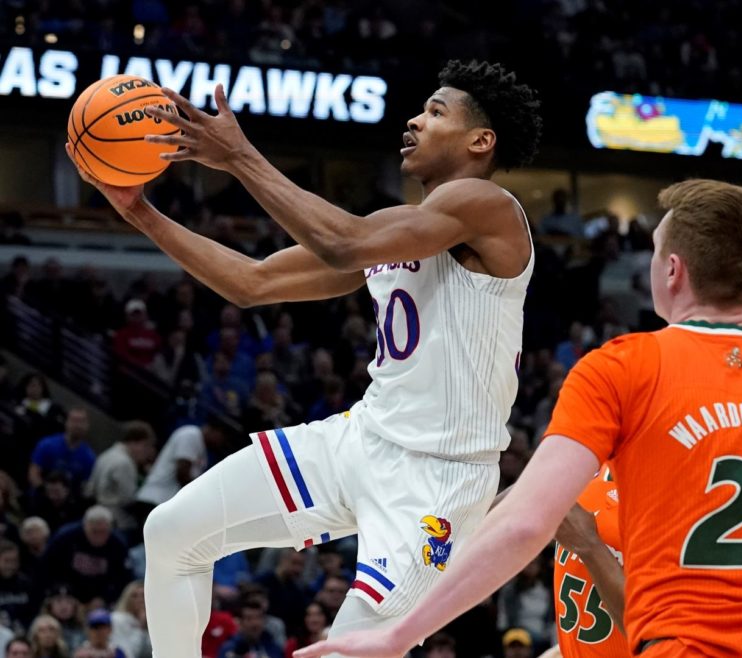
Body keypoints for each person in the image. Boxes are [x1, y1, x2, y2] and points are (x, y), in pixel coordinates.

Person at [67, 59, 542, 652]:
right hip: (363, 439)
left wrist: (240, 157)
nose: (415, 120)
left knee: (343, 650)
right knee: (171, 532)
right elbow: (252, 282)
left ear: (481, 140)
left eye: (435, 112)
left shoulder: (486, 204)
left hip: (439, 478)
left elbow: (344, 245)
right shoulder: (397, 227)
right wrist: (139, 210)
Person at [292, 180, 742, 658]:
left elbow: (526, 524)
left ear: (673, 270)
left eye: (656, 251)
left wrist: (399, 635)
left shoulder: (626, 367)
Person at [549, 472, 627, 658]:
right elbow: (524, 494)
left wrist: (590, 546)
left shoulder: (668, 505)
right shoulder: (584, 470)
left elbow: (654, 627)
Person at [44, 506, 131, 605]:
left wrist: (105, 598)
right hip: (67, 592)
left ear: (110, 528)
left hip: (101, 595)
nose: (98, 536)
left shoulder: (118, 544)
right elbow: (48, 568)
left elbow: (123, 579)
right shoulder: (65, 538)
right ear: (85, 526)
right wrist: (65, 594)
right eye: (94, 531)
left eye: (103, 532)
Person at [135, 418, 229, 508]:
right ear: (214, 431)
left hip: (162, 502)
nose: (221, 442)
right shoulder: (191, 434)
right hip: (153, 499)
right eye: (222, 437)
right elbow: (182, 474)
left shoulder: (202, 448)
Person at [84, 422, 157, 531]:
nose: (147, 452)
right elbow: (128, 498)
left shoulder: (106, 454)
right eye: (146, 446)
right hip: (117, 521)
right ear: (136, 443)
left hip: (98, 512)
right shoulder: (125, 462)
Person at [27, 408, 95, 493]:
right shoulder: (47, 444)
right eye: (74, 420)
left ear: (87, 426)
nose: (77, 425)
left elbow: (85, 486)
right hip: (41, 496)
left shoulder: (89, 457)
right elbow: (33, 473)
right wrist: (45, 493)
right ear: (66, 423)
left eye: (81, 422)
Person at [216, 601, 282, 658]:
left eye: (258, 617)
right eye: (249, 618)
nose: (255, 623)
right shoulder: (230, 649)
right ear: (241, 623)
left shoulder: (274, 648)